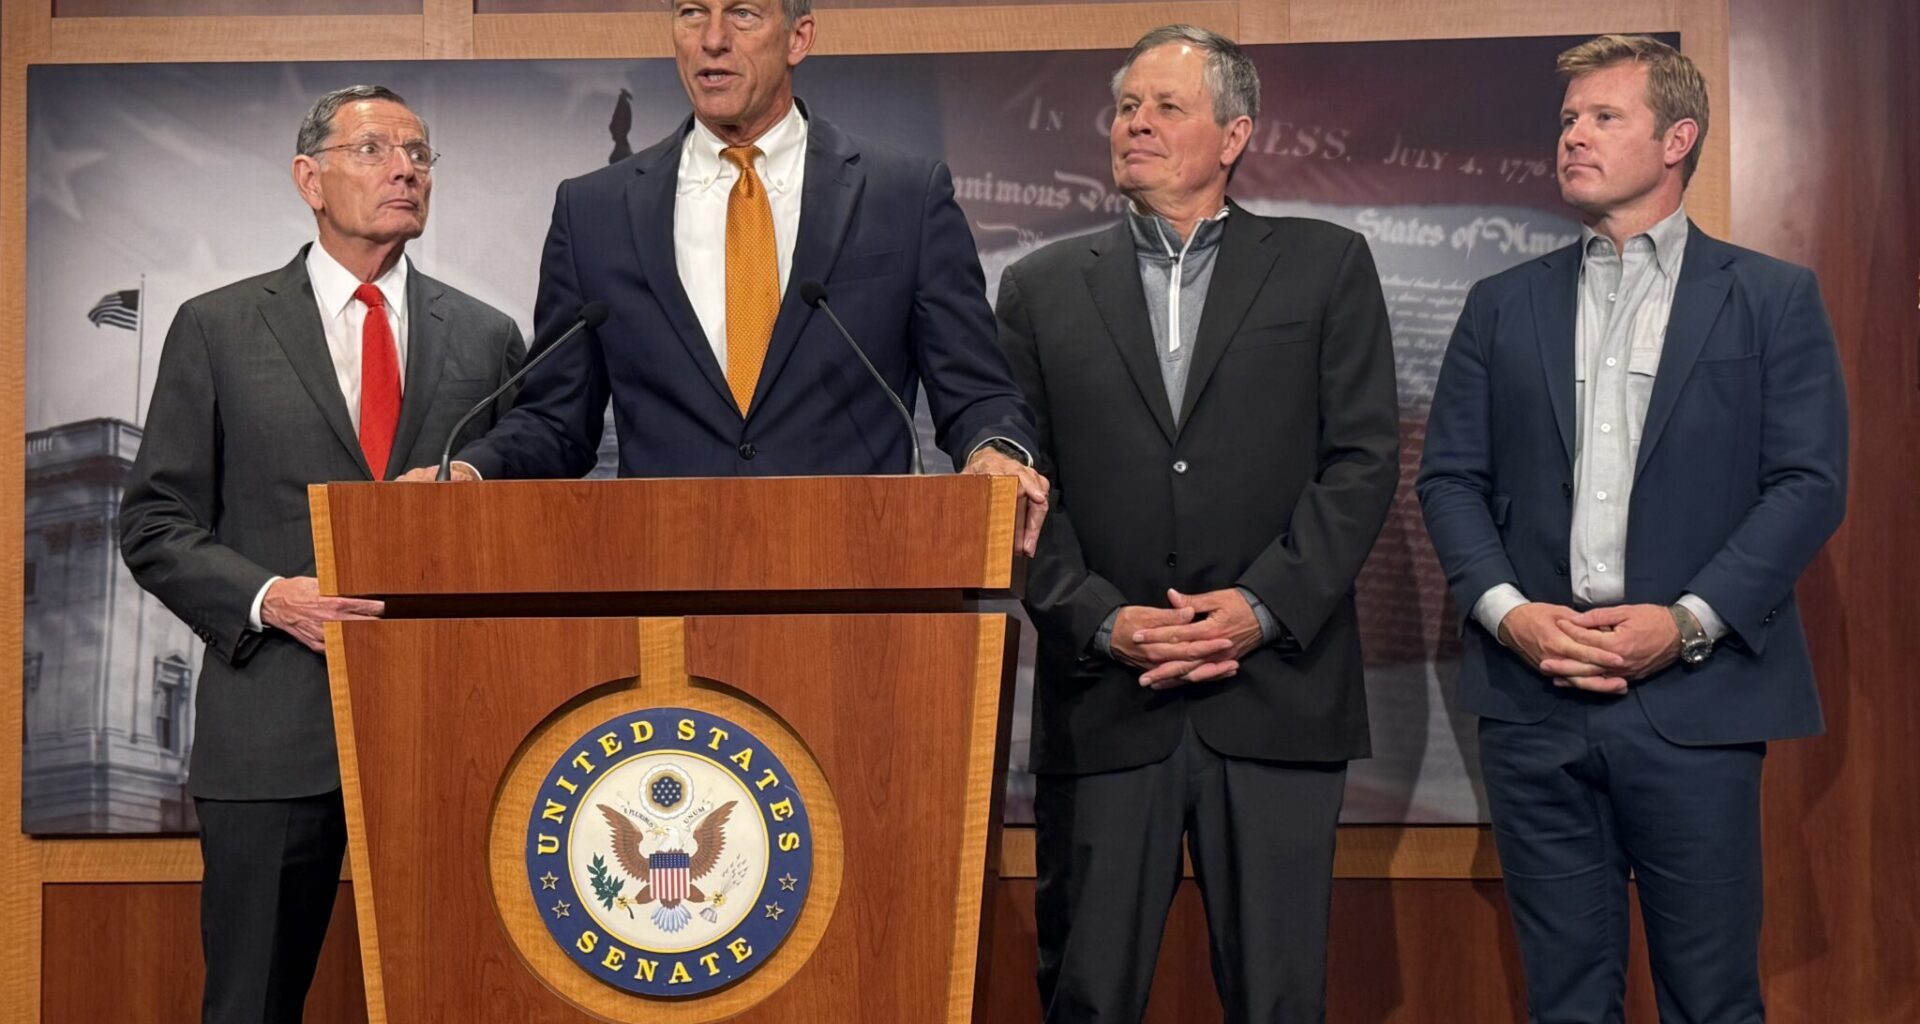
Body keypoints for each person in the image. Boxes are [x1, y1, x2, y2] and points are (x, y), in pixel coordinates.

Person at [1417, 35, 1848, 1023]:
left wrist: (1687, 621)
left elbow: (1808, 484)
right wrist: (1510, 616)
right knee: (1566, 1000)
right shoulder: (1499, 306)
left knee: (1712, 998)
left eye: (1602, 117)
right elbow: (1449, 480)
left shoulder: (1773, 299)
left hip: (1698, 700)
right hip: (1535, 698)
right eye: (1568, 118)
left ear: (1677, 138)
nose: (1573, 135)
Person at [995, 26, 1400, 1023]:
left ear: (1234, 135)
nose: (1135, 121)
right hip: (1105, 703)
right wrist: (1098, 617)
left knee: (1278, 998)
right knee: (1086, 993)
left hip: (1275, 699)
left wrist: (1262, 607)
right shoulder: (1039, 286)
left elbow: (1363, 461)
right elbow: (1015, 484)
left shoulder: (1326, 266)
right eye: (1127, 105)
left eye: (1166, 106)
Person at [118, 85, 525, 1023]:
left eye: (420, 154)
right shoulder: (218, 328)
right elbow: (154, 523)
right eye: (376, 149)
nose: (406, 171)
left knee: (468, 996)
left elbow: (518, 521)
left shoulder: (487, 336)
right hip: (271, 736)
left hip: (449, 737)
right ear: (309, 178)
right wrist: (270, 599)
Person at [424, 0, 1049, 551]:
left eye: (743, 13)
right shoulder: (595, 210)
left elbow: (977, 390)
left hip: (860, 574)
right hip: (663, 586)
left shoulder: (903, 195)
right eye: (692, 12)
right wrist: (473, 471)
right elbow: (558, 418)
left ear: (799, 37)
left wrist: (996, 451)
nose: (712, 38)